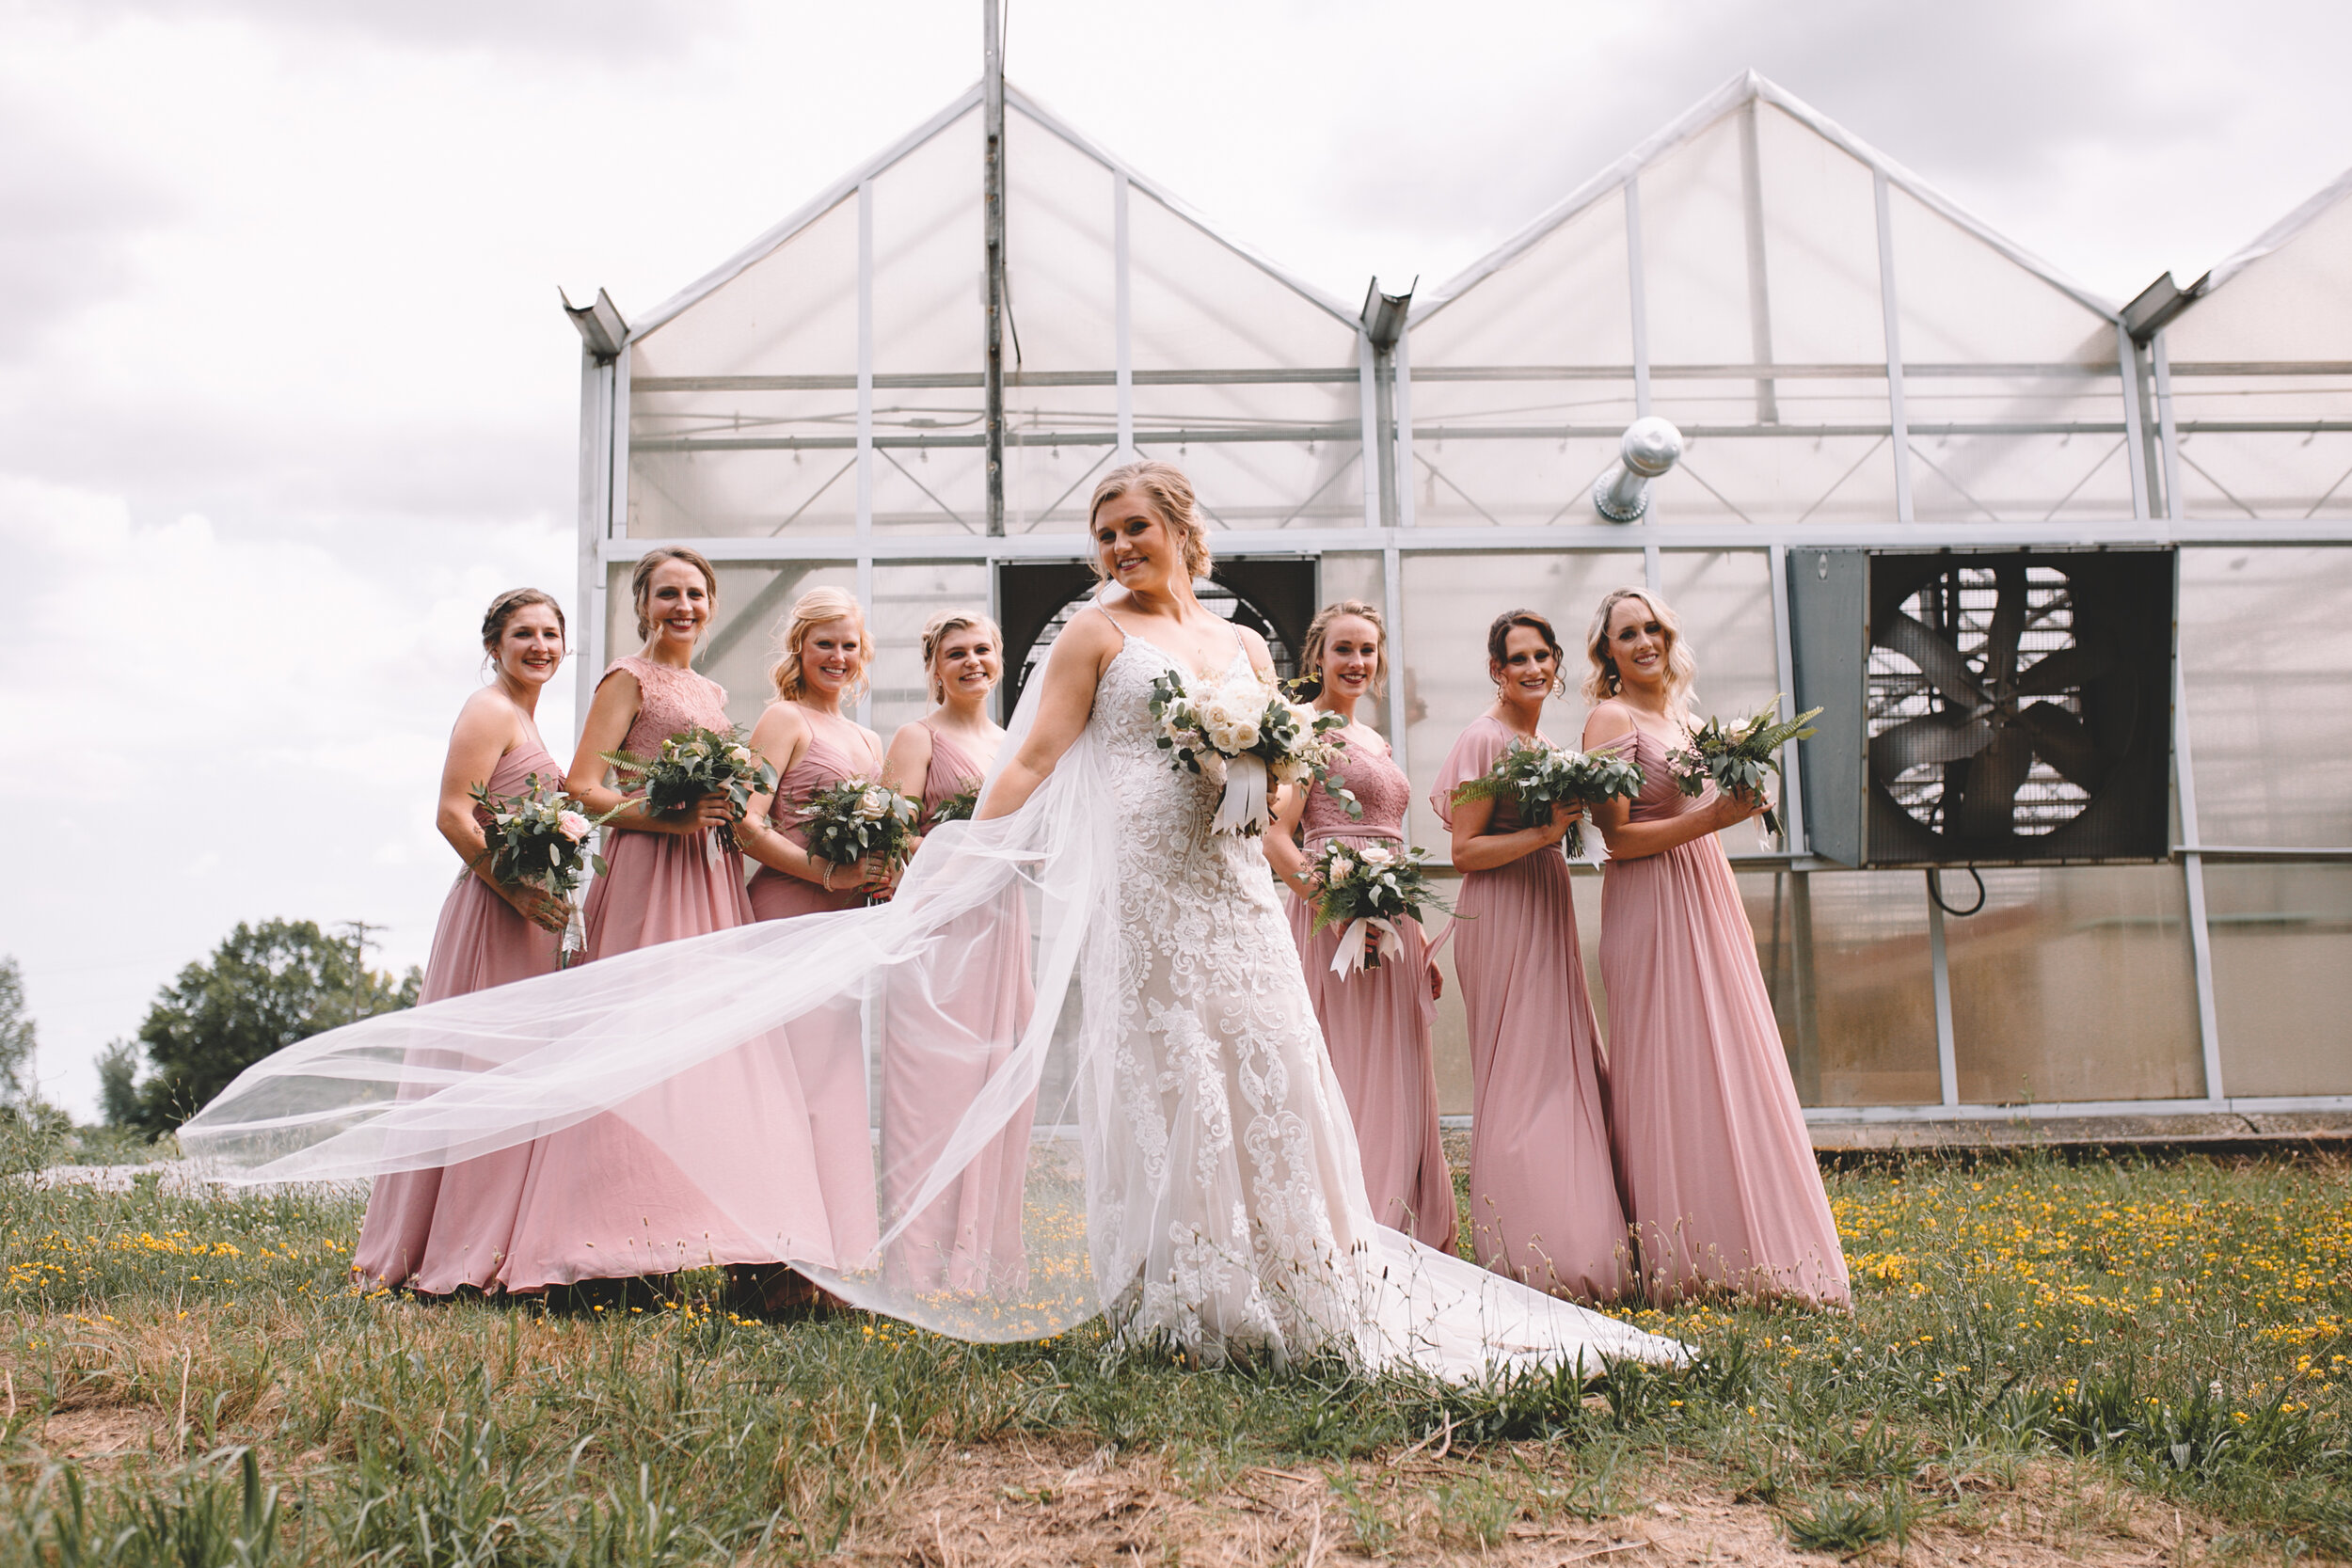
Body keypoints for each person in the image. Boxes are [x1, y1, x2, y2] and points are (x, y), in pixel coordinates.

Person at [181, 465, 1682, 1379]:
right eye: (1099, 529)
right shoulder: (1091, 636)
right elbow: (1031, 761)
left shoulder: (1235, 639)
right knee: (1174, 1073)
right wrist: (966, 848)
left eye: (1132, 524)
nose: (1113, 546)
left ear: (1182, 527)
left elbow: (1277, 749)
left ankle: (1314, 1276)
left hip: (1230, 879)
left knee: (1276, 1066)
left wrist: (1264, 763)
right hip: (1153, 897)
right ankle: (1197, 1295)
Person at [479, 547, 836, 1293]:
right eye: (668, 594)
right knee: (636, 1045)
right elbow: (582, 787)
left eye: (696, 594)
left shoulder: (708, 689)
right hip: (648, 873)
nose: (684, 606)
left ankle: (727, 1237)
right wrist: (667, 817)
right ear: (642, 606)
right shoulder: (625, 678)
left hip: (709, 882)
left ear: (711, 602)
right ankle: (613, 1252)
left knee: (717, 1052)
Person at [1581, 586, 1851, 1308]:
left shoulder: (1683, 718)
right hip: (1648, 902)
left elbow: (1705, 809)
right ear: (1607, 650)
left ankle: (1748, 1247)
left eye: (1654, 628)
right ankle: (1686, 1259)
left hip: (1705, 893)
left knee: (1727, 1055)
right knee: (1671, 1061)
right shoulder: (1610, 717)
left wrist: (1737, 800)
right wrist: (1716, 818)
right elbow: (1618, 836)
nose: (1644, 641)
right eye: (1628, 633)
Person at [351, 589, 569, 1293]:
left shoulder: (528, 720)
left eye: (551, 634)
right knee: (478, 1072)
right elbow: (451, 813)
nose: (540, 646)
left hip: (530, 916)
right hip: (494, 909)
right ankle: (453, 1250)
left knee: (512, 1077)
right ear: (493, 646)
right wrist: (516, 892)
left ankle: (490, 1240)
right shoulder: (488, 710)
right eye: (524, 634)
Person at [1428, 610, 1630, 1302]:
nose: (1535, 668)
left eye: (1545, 655)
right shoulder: (1484, 741)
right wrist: (1546, 832)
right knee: (1521, 1072)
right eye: (1519, 659)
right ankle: (1524, 1249)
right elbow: (1463, 850)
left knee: (1560, 1061)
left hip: (1545, 904)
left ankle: (1571, 1226)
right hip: (1502, 912)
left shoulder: (1540, 741)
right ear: (1496, 669)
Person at [1264, 601, 1455, 1251]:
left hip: (1392, 919)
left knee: (1395, 1067)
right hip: (1331, 922)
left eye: (1367, 650)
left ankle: (1395, 1221)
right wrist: (1332, 900)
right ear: (1318, 655)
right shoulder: (1302, 730)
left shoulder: (1378, 739)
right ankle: (1343, 1227)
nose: (1357, 662)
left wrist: (1419, 935)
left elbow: (1394, 840)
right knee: (1342, 1067)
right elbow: (1274, 836)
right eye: (1343, 649)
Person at [875, 611, 1033, 1291]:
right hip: (937, 933)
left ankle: (981, 1261)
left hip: (1002, 926)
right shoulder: (918, 738)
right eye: (956, 653)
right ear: (934, 667)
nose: (971, 661)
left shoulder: (1014, 744)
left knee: (995, 1086)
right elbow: (891, 836)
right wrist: (964, 856)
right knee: (929, 1093)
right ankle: (918, 1266)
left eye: (982, 650)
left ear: (999, 659)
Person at [741, 588, 894, 918]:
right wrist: (831, 875)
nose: (838, 657)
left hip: (852, 916)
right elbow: (746, 822)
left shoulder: (870, 739)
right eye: (825, 644)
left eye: (849, 646)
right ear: (799, 647)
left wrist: (885, 871)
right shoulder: (784, 719)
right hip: (788, 910)